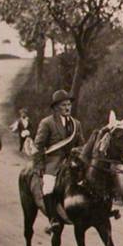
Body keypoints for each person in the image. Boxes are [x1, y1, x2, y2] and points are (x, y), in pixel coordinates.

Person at [33, 90, 85, 233]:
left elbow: (82, 144)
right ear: (56, 107)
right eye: (64, 105)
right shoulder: (47, 123)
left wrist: (78, 151)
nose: (68, 108)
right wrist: (39, 166)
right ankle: (53, 220)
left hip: (72, 161)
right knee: (48, 186)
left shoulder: (76, 124)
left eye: (69, 104)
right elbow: (38, 147)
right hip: (53, 162)